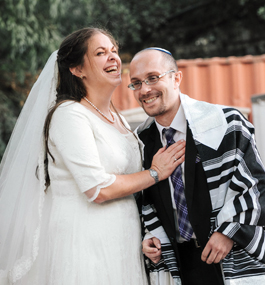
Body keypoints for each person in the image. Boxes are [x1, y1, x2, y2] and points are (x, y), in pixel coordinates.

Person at [0, 29, 186, 284]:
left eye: (114, 51)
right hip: (85, 245)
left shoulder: (116, 117)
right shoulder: (69, 115)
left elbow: (132, 187)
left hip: (124, 243)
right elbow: (97, 188)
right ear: (77, 69)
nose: (113, 58)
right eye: (100, 53)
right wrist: (155, 173)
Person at [128, 47, 265, 285]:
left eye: (153, 78)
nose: (145, 90)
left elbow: (257, 186)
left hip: (227, 256)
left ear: (177, 77)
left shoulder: (226, 123)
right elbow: (143, 203)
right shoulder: (139, 142)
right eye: (136, 83)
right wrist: (150, 236)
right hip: (178, 264)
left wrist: (228, 232)